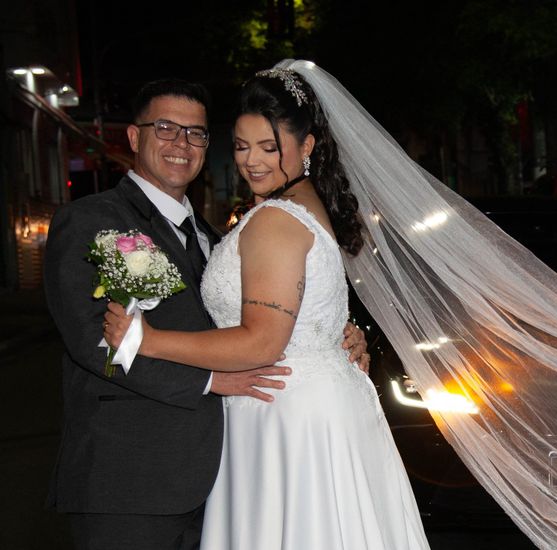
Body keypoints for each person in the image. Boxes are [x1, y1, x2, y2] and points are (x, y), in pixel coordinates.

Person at [104, 68, 430, 549]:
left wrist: (148, 339)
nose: (252, 161)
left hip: (285, 417)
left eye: (269, 147)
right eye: (241, 146)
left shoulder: (274, 220)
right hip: (312, 407)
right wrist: (341, 329)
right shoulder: (300, 207)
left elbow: (262, 340)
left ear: (307, 147)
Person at [44, 78, 368, 550]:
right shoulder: (91, 221)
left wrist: (336, 333)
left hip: (221, 474)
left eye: (196, 133)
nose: (182, 144)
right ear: (134, 138)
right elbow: (96, 343)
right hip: (128, 479)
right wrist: (208, 381)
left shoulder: (216, 238)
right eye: (166, 128)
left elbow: (265, 311)